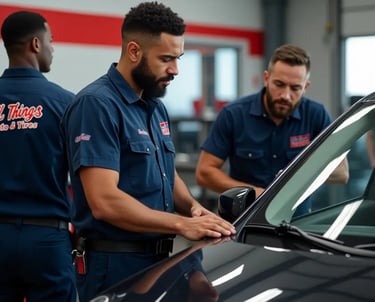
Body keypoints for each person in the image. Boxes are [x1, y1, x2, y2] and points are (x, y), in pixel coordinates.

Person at [61, 2, 236, 301]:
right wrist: (183, 224)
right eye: (166, 59)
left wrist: (192, 208)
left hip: (162, 260)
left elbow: (164, 173)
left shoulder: (155, 107)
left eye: (178, 58)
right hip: (115, 264)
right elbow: (104, 201)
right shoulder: (97, 105)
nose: (175, 70)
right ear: (133, 51)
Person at [196, 44, 349, 215]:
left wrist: (296, 176)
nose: (285, 95)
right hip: (243, 219)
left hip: (295, 221)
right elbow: (204, 173)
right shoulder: (233, 115)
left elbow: (341, 173)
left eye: (295, 88)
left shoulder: (316, 114)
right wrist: (255, 193)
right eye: (279, 84)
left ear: (305, 87)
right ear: (266, 78)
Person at [0, 11, 76, 302]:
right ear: (35, 43)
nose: (52, 48)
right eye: (50, 40)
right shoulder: (65, 103)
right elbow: (82, 179)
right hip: (47, 240)